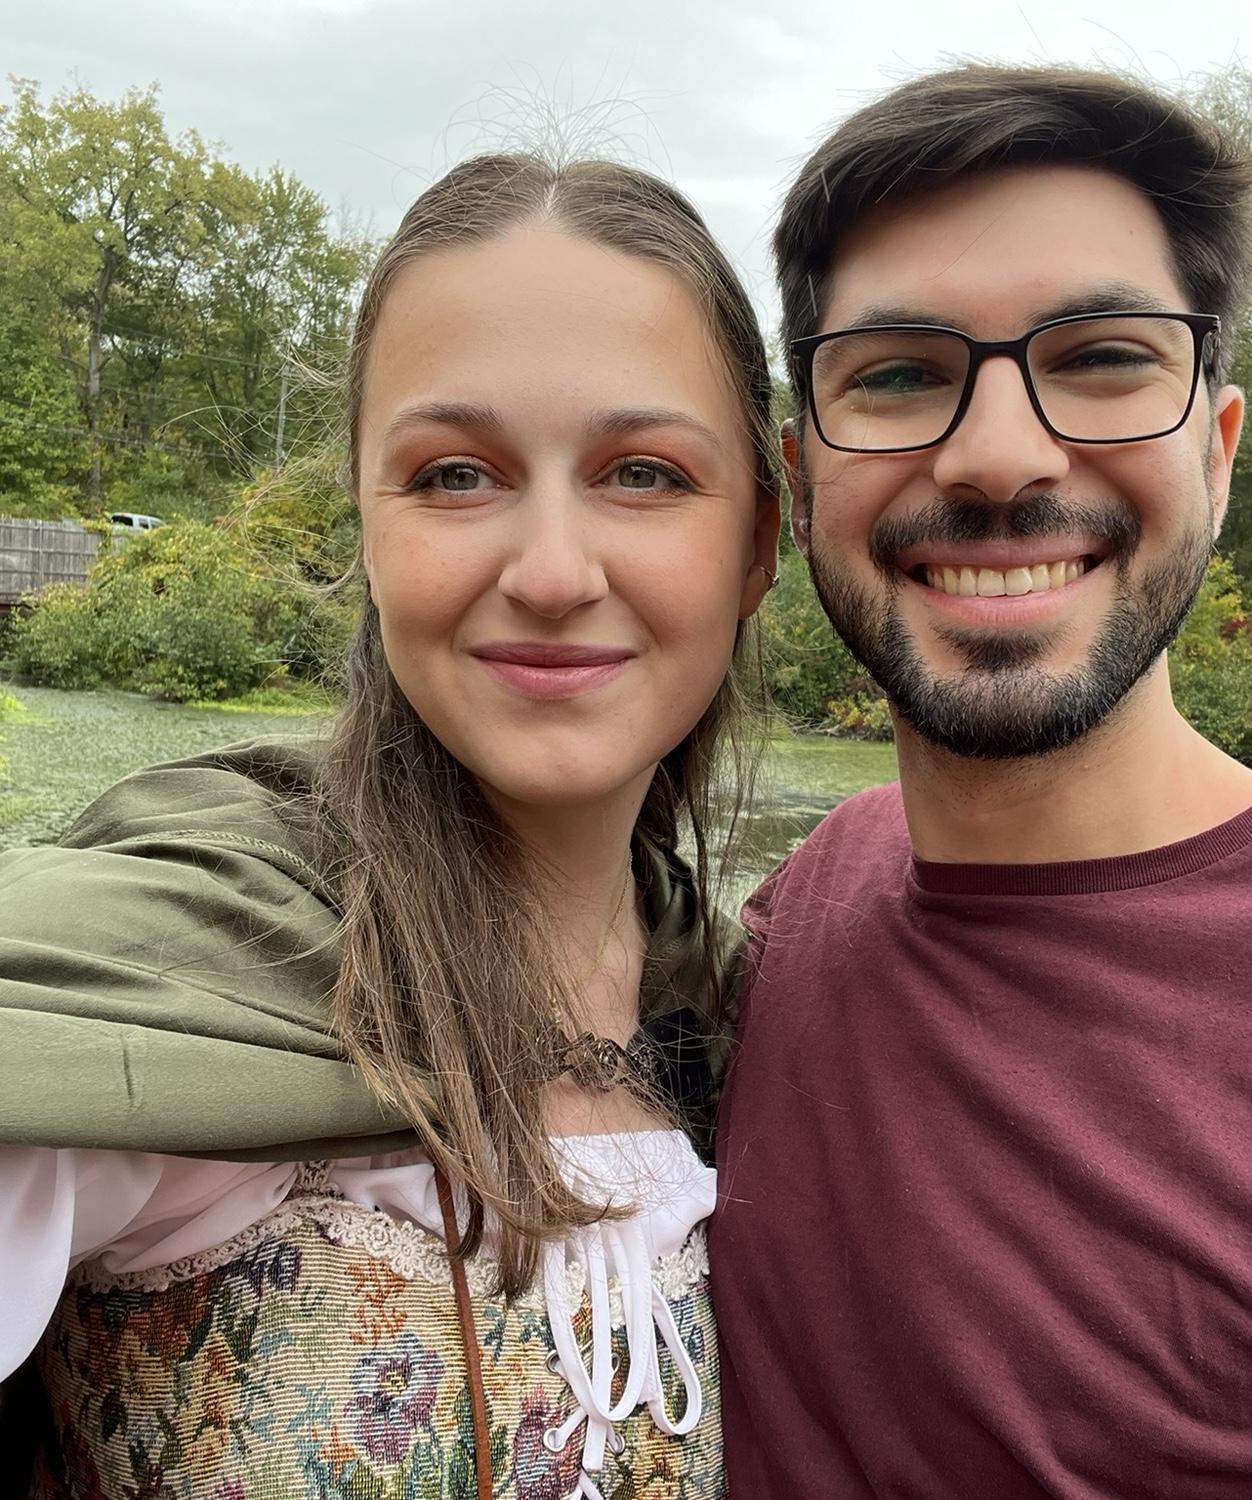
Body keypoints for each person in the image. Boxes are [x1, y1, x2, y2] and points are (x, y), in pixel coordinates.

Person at [710, 64, 1252, 1498]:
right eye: (896, 373)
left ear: (1218, 447)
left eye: (1103, 358)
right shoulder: (800, 909)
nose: (998, 457)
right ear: (802, 472)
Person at [0, 152, 779, 1498]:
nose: (551, 572)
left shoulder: (749, 1012)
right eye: (455, 474)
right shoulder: (168, 958)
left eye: (645, 473)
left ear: (761, 541)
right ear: (363, 523)